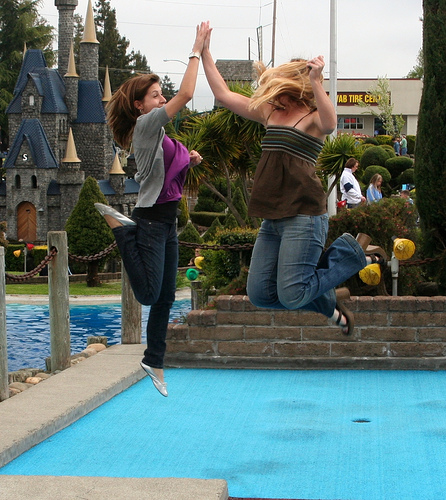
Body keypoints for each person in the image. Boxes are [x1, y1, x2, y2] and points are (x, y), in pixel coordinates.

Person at [201, 24, 384, 336]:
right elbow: (223, 94)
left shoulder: (312, 117)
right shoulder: (270, 112)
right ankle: (328, 304)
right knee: (260, 294)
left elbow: (330, 123)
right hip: (273, 216)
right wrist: (205, 52)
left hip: (304, 215)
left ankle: (355, 256)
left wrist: (317, 81)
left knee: (291, 293)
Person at [95, 22, 208, 397]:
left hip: (167, 222)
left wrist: (190, 159)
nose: (163, 100)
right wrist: (196, 48)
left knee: (165, 297)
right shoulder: (145, 125)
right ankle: (121, 229)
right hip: (150, 221)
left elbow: (167, 172)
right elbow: (187, 93)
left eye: (162, 95)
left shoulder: (159, 136)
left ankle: (154, 360)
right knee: (147, 294)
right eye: (156, 95)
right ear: (139, 105)